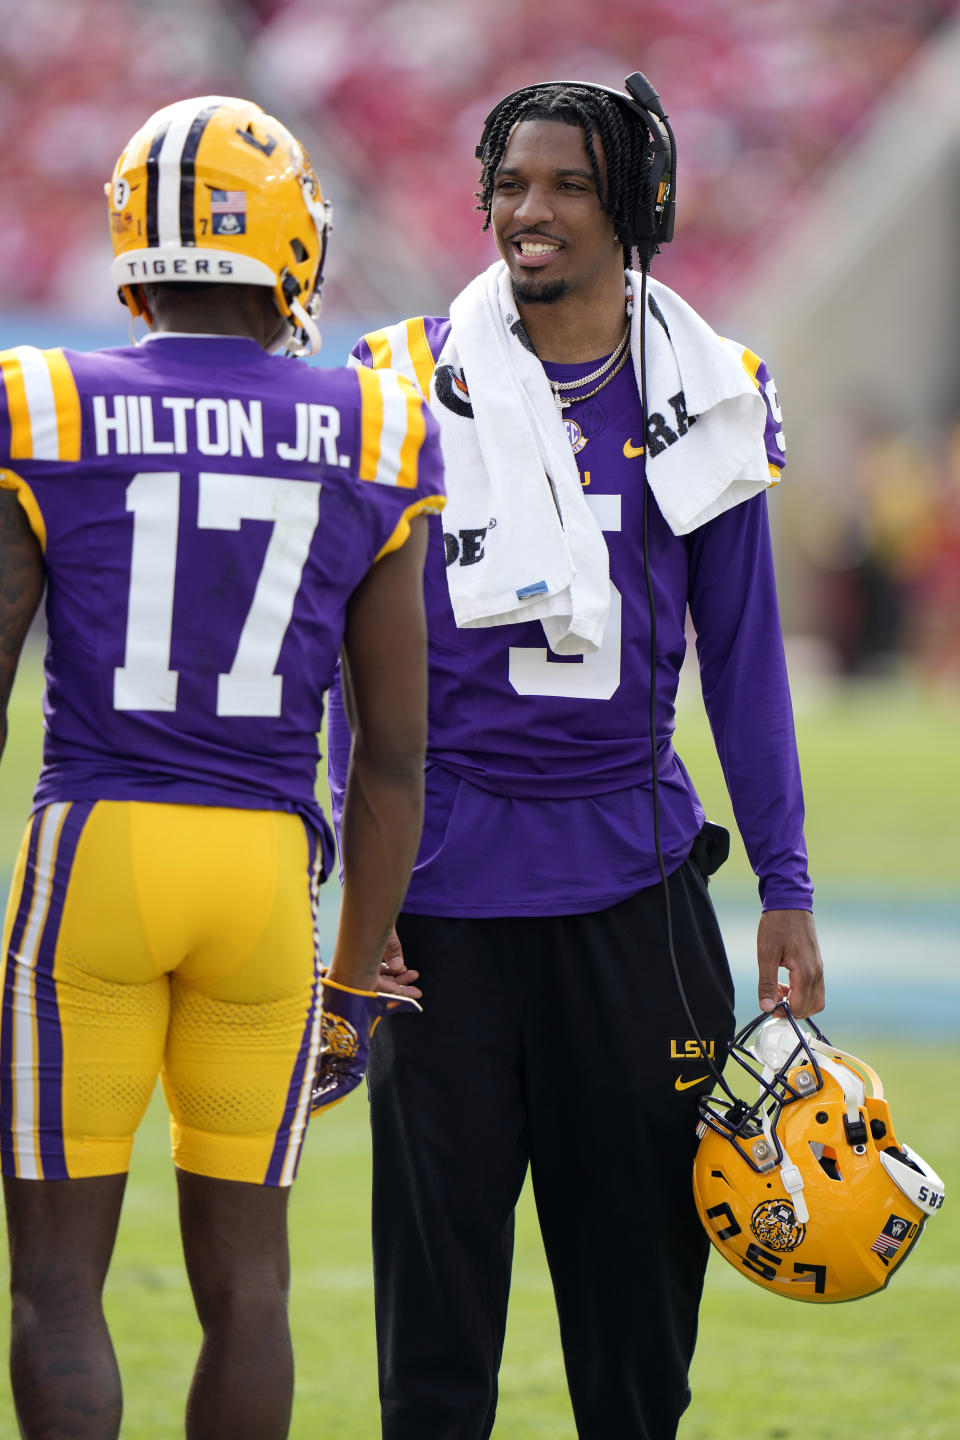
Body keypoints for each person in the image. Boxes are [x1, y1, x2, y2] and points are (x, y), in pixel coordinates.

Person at [329, 73, 825, 1439]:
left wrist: (786, 884)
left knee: (637, 1337)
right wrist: (352, 894)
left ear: (637, 207)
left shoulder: (709, 394)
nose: (528, 213)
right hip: (440, 904)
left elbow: (745, 663)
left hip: (633, 891)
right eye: (509, 185)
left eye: (566, 186)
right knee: (433, 1344)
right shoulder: (398, 382)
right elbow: (335, 668)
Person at [0, 96, 443, 1440]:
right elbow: (393, 761)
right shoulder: (373, 427)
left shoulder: (44, 399)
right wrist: (355, 981)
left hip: (97, 853)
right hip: (265, 874)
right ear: (294, 242)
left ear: (135, 242)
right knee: (251, 1290)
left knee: (58, 1285)